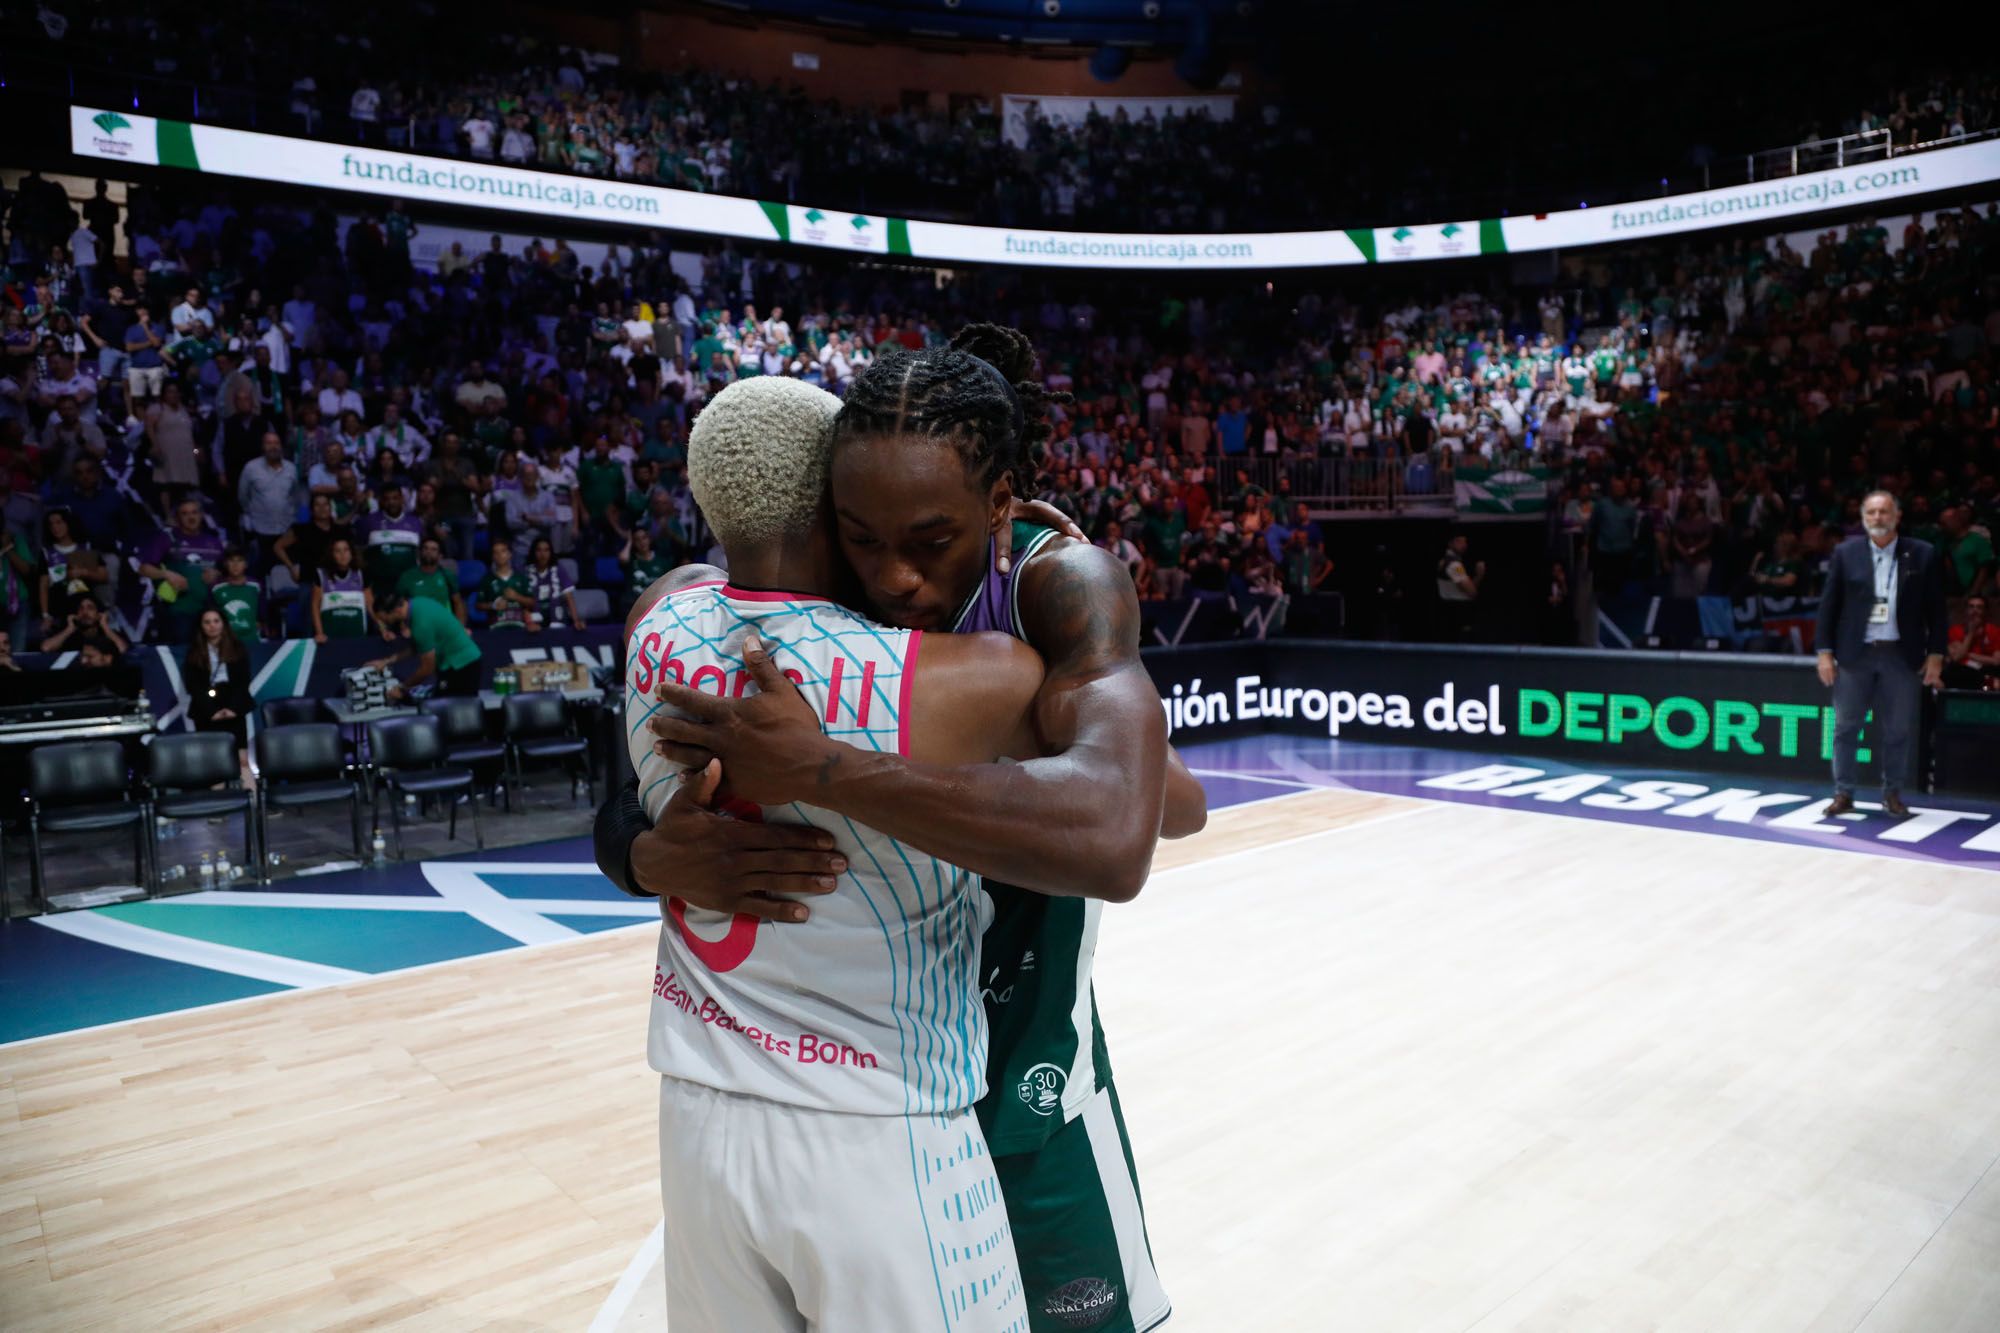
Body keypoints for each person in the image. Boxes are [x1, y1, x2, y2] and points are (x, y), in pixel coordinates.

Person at [616, 325, 1201, 1333]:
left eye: (928, 544)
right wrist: (640, 851)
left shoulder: (1055, 581)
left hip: (1020, 1040)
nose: (890, 577)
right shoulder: (810, 581)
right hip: (865, 1074)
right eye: (862, 538)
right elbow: (627, 772)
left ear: (997, 507)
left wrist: (825, 769)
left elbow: (1136, 824)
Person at [624, 375, 1050, 1330]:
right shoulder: (959, 678)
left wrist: (649, 855)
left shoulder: (656, 620)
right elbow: (1146, 806)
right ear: (840, 499)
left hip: (698, 1107)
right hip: (882, 1128)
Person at [1815, 491, 1947, 817]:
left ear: (1897, 516)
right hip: (1854, 655)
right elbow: (1828, 607)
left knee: (1898, 730)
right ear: (1863, 517)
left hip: (1901, 655)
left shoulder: (1922, 554)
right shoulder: (1846, 553)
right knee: (1846, 728)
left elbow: (1938, 611)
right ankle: (1843, 793)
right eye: (1871, 512)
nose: (1877, 517)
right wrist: (1824, 652)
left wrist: (1936, 655)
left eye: (1884, 512)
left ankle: (1892, 794)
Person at [137, 499, 225, 644]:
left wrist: (217, 575)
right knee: (183, 654)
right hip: (178, 612)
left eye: (194, 513)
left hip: (209, 611)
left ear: (201, 515)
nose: (191, 517)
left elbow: (226, 572)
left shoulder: (214, 542)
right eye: (185, 514)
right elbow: (144, 568)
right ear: (177, 519)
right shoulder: (167, 539)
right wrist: (167, 574)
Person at [368, 591, 482, 699]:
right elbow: (417, 646)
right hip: (458, 663)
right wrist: (386, 661)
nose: (384, 622)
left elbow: (427, 669)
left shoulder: (421, 624)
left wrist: (402, 688)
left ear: (397, 610)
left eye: (385, 618)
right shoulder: (418, 603)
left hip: (463, 666)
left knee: (454, 710)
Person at [184, 606, 252, 749]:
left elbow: (243, 681)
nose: (212, 626)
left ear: (223, 624)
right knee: (209, 755)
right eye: (207, 622)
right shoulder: (194, 652)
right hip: (205, 706)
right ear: (201, 626)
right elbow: (193, 685)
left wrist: (233, 709)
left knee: (240, 757)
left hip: (233, 704)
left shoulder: (237, 648)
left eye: (216, 621)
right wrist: (211, 712)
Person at [311, 537, 370, 642]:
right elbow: (315, 606)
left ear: (351, 552)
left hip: (357, 636)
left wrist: (383, 629)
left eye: (346, 550)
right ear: (331, 555)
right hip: (329, 637)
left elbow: (370, 606)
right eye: (337, 551)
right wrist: (319, 633)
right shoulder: (321, 575)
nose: (343, 555)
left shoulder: (361, 574)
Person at [396, 537, 464, 622]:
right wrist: (403, 627)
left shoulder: (447, 575)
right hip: (417, 625)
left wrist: (460, 627)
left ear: (440, 556)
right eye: (425, 548)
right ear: (419, 553)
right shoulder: (407, 576)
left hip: (443, 625)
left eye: (433, 549)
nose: (429, 552)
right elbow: (399, 604)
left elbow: (458, 602)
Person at [41, 593, 129, 659]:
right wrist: (69, 629)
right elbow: (46, 648)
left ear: (99, 615)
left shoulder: (108, 635)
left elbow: (122, 649)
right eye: (81, 608)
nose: (85, 612)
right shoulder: (70, 636)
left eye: (90, 608)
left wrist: (105, 626)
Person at [524, 535, 583, 629]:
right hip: (534, 619)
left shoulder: (559, 569)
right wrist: (528, 622)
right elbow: (523, 601)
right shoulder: (526, 572)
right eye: (539, 550)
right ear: (533, 552)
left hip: (556, 615)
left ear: (551, 552)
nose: (542, 554)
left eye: (546, 550)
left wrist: (576, 620)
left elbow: (569, 597)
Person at [476, 542, 536, 631]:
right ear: (492, 557)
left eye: (503, 551)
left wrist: (516, 597)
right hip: (496, 627)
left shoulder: (521, 578)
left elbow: (532, 603)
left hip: (519, 627)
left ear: (509, 554)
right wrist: (493, 605)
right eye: (496, 552)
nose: (499, 555)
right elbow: (478, 605)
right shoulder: (486, 580)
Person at [1945, 594, 2000, 690]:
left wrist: (1966, 654)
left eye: (1979, 607)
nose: (1975, 611)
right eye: (1971, 607)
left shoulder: (1995, 631)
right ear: (1966, 610)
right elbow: (1956, 657)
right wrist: (1971, 633)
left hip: (1986, 670)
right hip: (1962, 671)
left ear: (1985, 611)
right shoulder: (1955, 630)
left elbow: (1996, 661)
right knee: (1952, 670)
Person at [210, 548, 263, 643]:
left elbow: (262, 611)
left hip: (251, 640)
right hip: (225, 641)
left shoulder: (255, 586)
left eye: (240, 561)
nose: (235, 565)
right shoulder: (216, 588)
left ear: (246, 564)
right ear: (226, 564)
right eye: (231, 561)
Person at [1435, 532, 1482, 639]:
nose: (1463, 544)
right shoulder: (1454, 565)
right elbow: (1472, 592)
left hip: (1450, 611)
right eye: (1459, 541)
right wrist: (1479, 575)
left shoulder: (1446, 561)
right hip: (1458, 612)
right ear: (1450, 544)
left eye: (1464, 541)